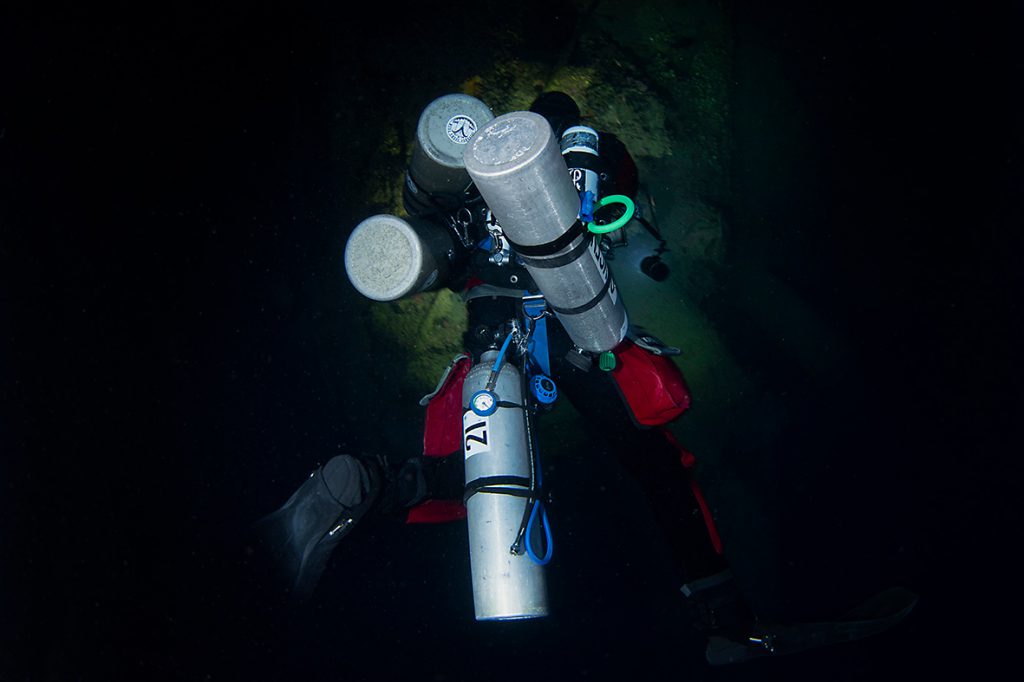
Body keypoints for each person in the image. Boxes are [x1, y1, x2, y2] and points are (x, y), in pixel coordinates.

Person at [257, 91, 916, 664]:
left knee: (491, 472)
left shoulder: (473, 184)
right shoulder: (587, 157)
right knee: (656, 465)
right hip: (573, 324)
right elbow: (622, 214)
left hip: (493, 323)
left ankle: (367, 482)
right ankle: (727, 623)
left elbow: (446, 254)